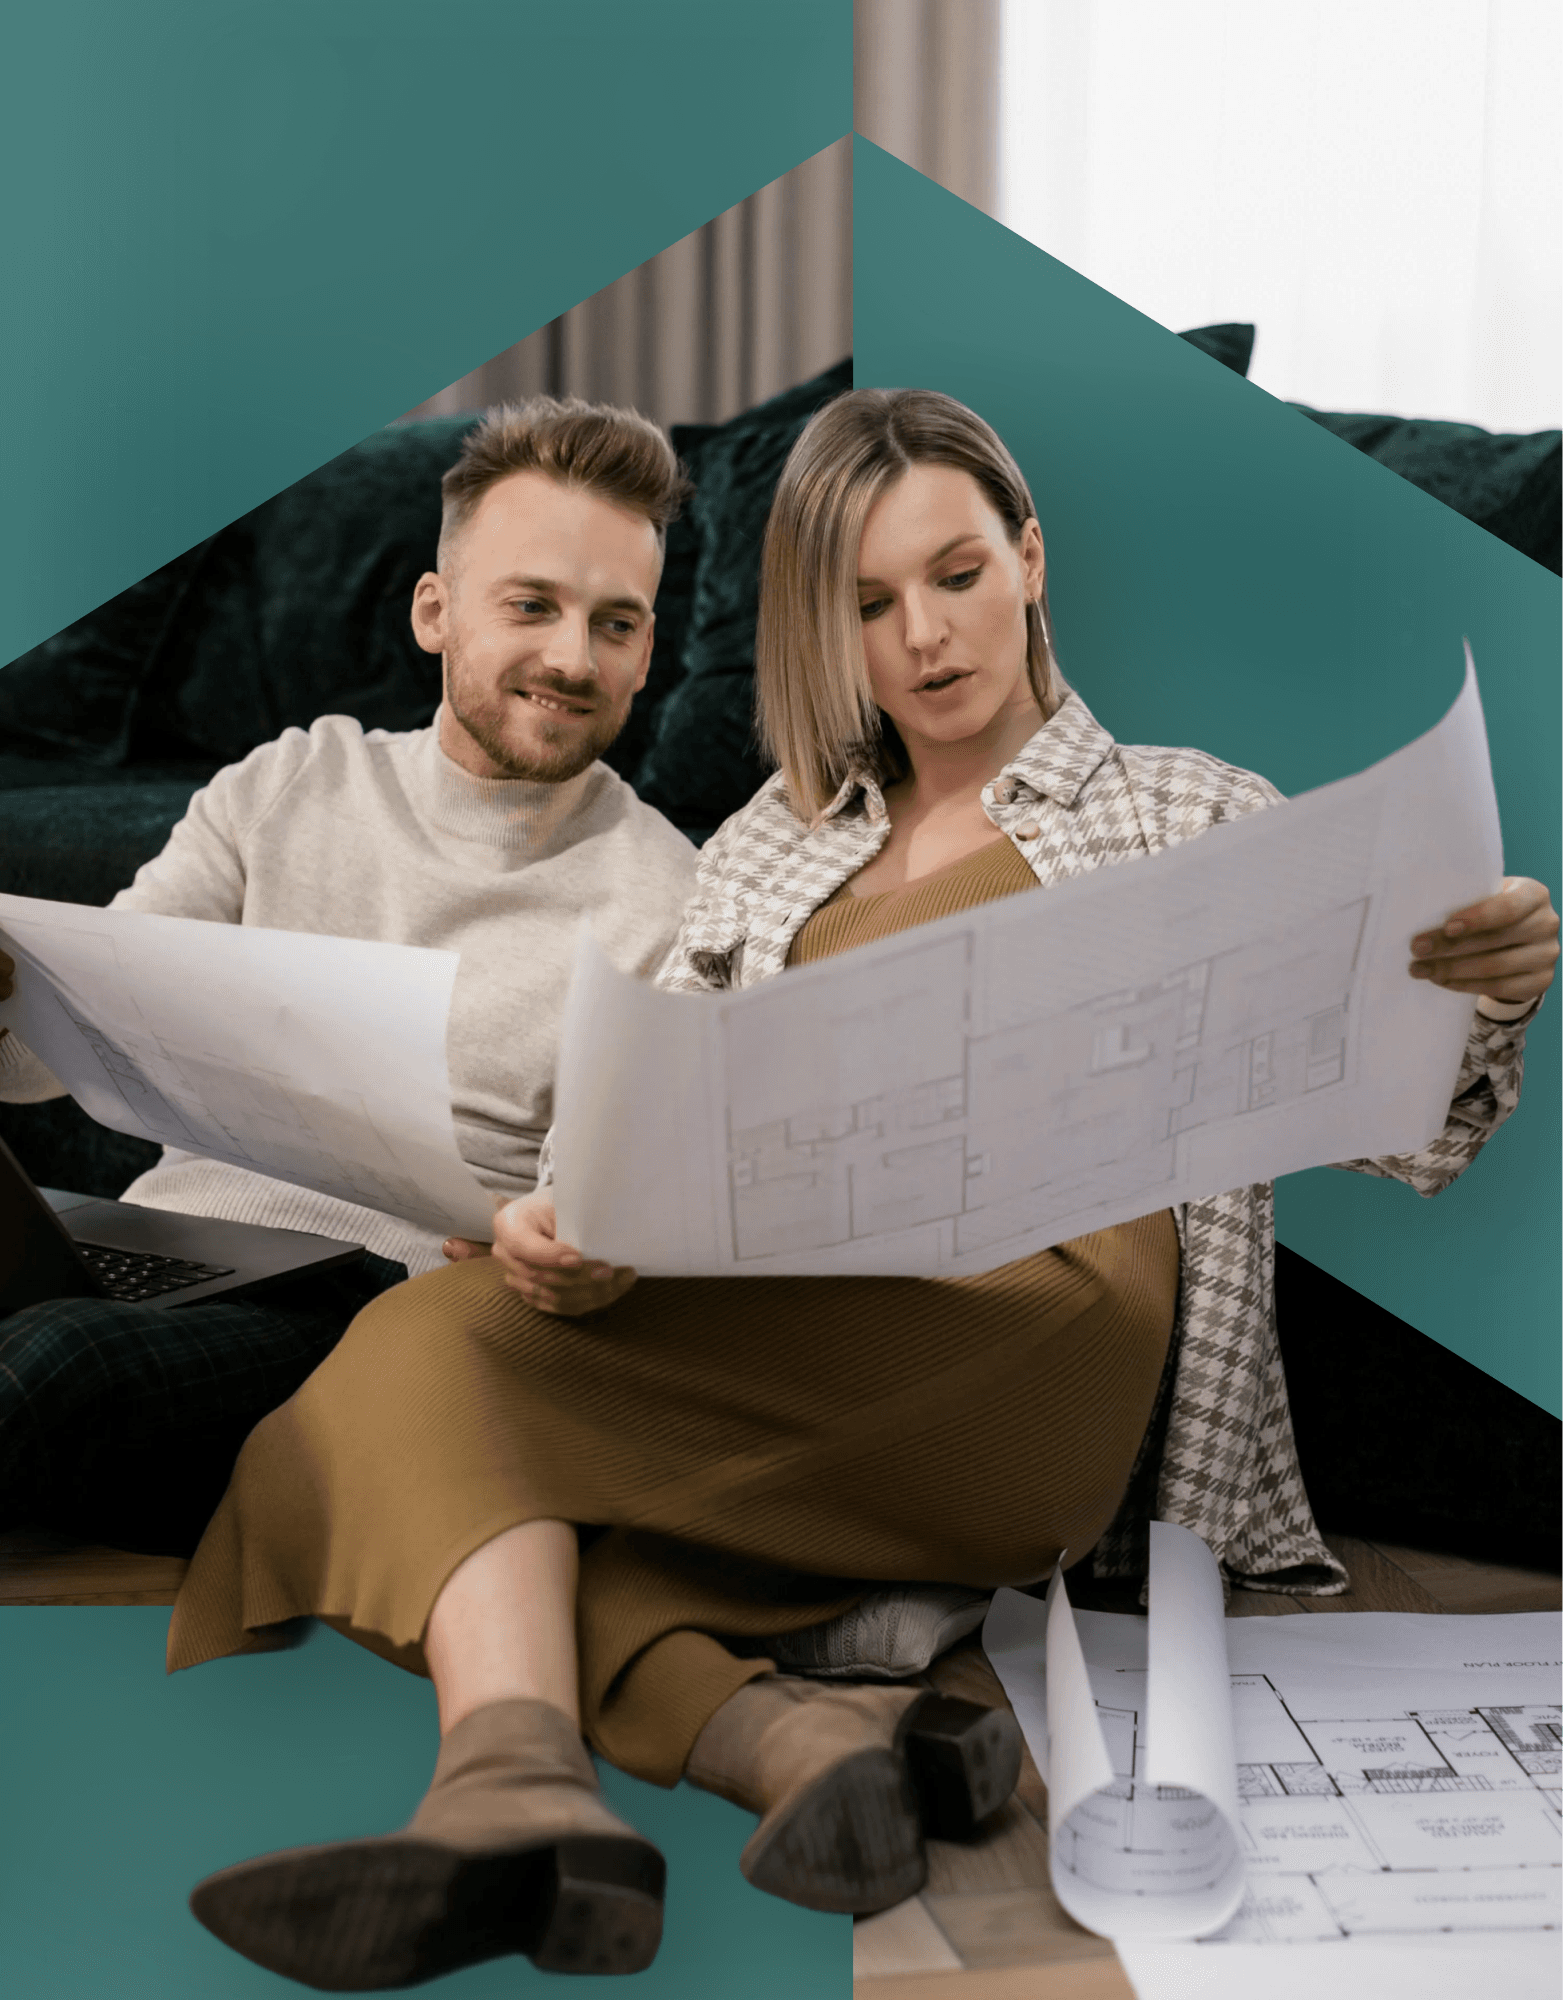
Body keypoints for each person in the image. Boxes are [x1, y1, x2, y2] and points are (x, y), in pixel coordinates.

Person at [165, 389, 1557, 1988]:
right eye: (866, 604)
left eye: (954, 574)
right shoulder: (765, 845)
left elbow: (1407, 1131)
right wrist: (581, 1224)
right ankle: (714, 1758)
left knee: (425, 1396)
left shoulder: (1185, 812)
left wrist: (1483, 990)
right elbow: (635, 1121)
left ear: (1028, 560)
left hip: (1044, 1325)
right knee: (441, 1390)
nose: (922, 638)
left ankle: (547, 1782)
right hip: (780, 1305)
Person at [0, 397, 700, 1555]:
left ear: (647, 652)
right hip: (163, 1253)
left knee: (48, 1370)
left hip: (379, 1312)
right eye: (531, 605)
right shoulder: (287, 784)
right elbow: (47, 1058)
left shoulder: (669, 902)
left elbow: (610, 1207)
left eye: (615, 624)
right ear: (436, 612)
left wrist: (584, 1247)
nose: (573, 658)